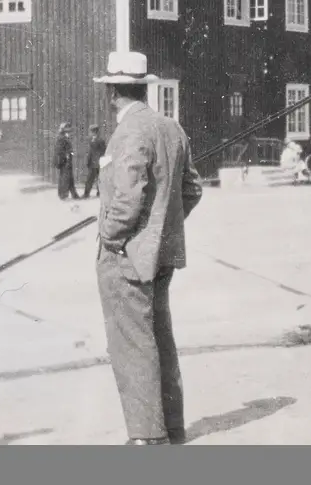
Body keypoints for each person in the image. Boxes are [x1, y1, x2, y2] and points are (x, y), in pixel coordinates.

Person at [92, 51, 204, 445]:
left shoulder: (129, 133)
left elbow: (127, 196)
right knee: (159, 336)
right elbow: (191, 189)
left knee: (132, 343)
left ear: (112, 93)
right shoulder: (171, 127)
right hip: (161, 255)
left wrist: (111, 237)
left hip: (126, 257)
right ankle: (171, 427)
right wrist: (161, 227)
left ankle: (147, 436)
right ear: (143, 87)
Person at [54, 123, 80, 200]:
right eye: (67, 130)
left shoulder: (64, 137)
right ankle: (63, 195)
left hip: (66, 160)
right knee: (65, 178)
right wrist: (68, 155)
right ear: (64, 131)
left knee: (68, 178)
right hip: (65, 161)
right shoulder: (62, 138)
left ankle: (73, 194)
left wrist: (71, 153)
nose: (69, 132)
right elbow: (60, 150)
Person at [83, 124, 106, 198]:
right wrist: (88, 161)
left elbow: (103, 151)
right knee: (90, 179)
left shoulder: (100, 140)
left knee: (99, 179)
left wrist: (101, 161)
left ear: (95, 132)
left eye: (92, 131)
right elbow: (90, 152)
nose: (90, 133)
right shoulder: (91, 140)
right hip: (93, 163)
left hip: (98, 163)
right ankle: (86, 194)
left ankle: (100, 193)